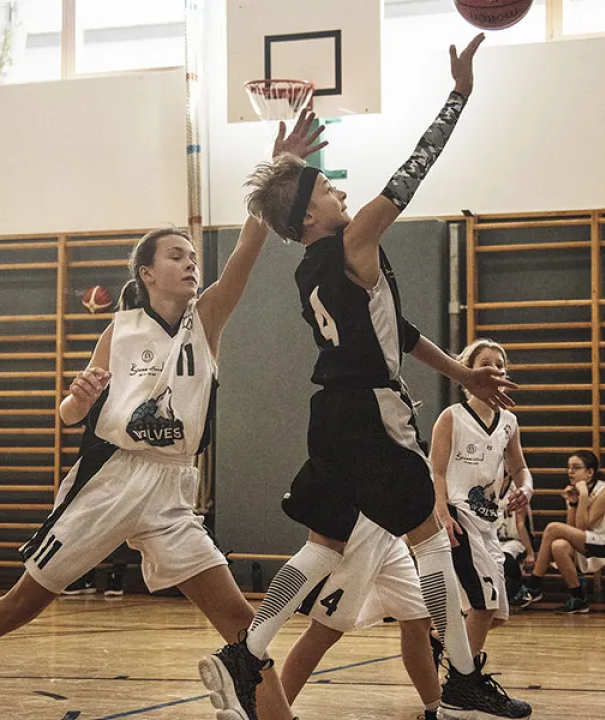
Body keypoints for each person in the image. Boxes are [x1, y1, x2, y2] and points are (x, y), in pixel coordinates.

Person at [0, 113, 327, 720]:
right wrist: (80, 399)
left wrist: (282, 169)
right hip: (110, 478)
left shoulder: (208, 320)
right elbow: (67, 416)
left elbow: (249, 245)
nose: (191, 263)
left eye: (193, 255)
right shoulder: (120, 330)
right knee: (20, 605)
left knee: (242, 627)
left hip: (172, 489)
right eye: (176, 255)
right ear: (147, 273)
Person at [200, 34, 533, 720]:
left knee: (323, 543)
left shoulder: (308, 268)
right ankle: (465, 675)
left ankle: (248, 649)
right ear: (311, 217)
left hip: (333, 417)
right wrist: (459, 95)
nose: (340, 188)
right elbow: (416, 166)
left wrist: (462, 372)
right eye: (326, 186)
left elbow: (399, 336)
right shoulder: (355, 242)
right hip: (375, 416)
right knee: (432, 540)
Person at [281, 514, 442, 720]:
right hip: (355, 528)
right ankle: (275, 712)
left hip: (388, 531)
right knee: (326, 629)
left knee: (417, 619)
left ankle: (435, 709)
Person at [430, 338, 533, 655]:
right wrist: (443, 514)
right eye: (485, 364)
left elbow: (520, 467)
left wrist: (526, 487)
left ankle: (437, 638)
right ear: (467, 374)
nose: (495, 369)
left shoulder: (509, 421)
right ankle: (464, 680)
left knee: (496, 615)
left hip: (491, 523)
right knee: (483, 606)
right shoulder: (452, 417)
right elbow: (436, 472)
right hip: (460, 517)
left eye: (499, 365)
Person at [514, 450, 605, 614]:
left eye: (576, 467)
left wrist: (584, 494)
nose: (570, 471)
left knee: (552, 528)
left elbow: (582, 526)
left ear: (590, 472)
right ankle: (578, 598)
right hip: (588, 542)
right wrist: (572, 503)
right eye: (569, 467)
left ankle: (534, 584)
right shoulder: (575, 490)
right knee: (559, 546)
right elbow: (571, 528)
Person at [497, 488, 534, 602]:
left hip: (516, 540)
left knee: (504, 558)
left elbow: (520, 523)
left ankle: (521, 588)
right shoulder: (489, 486)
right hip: (495, 538)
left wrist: (530, 553)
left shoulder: (517, 489)